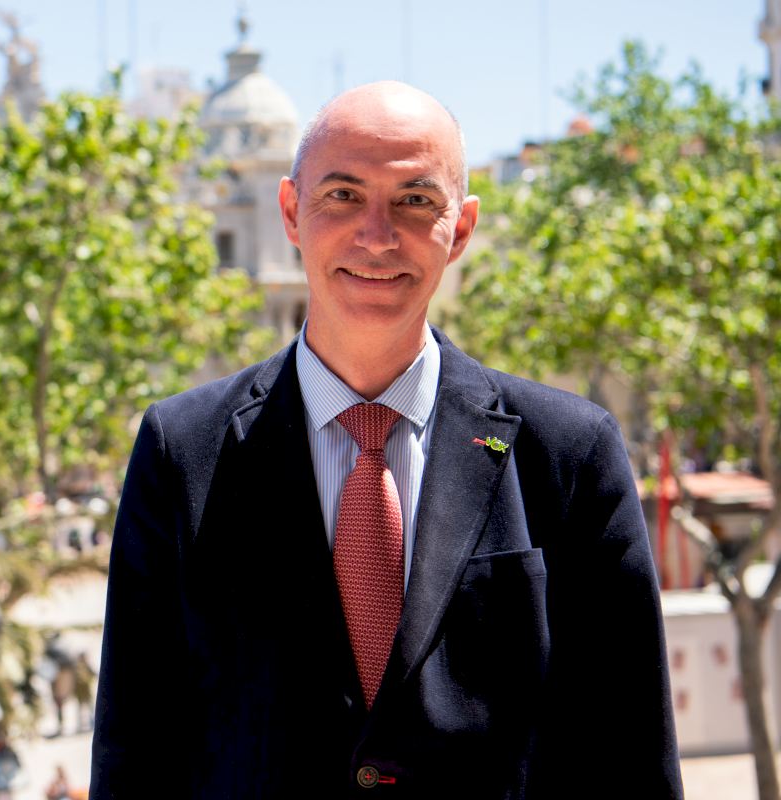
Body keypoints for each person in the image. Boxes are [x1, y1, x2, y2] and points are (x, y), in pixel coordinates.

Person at [90, 82, 682, 798]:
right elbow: (136, 753)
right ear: (291, 212)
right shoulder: (181, 451)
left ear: (460, 229)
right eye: (342, 195)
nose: (377, 235)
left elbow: (633, 760)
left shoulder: (569, 453)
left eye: (415, 200)